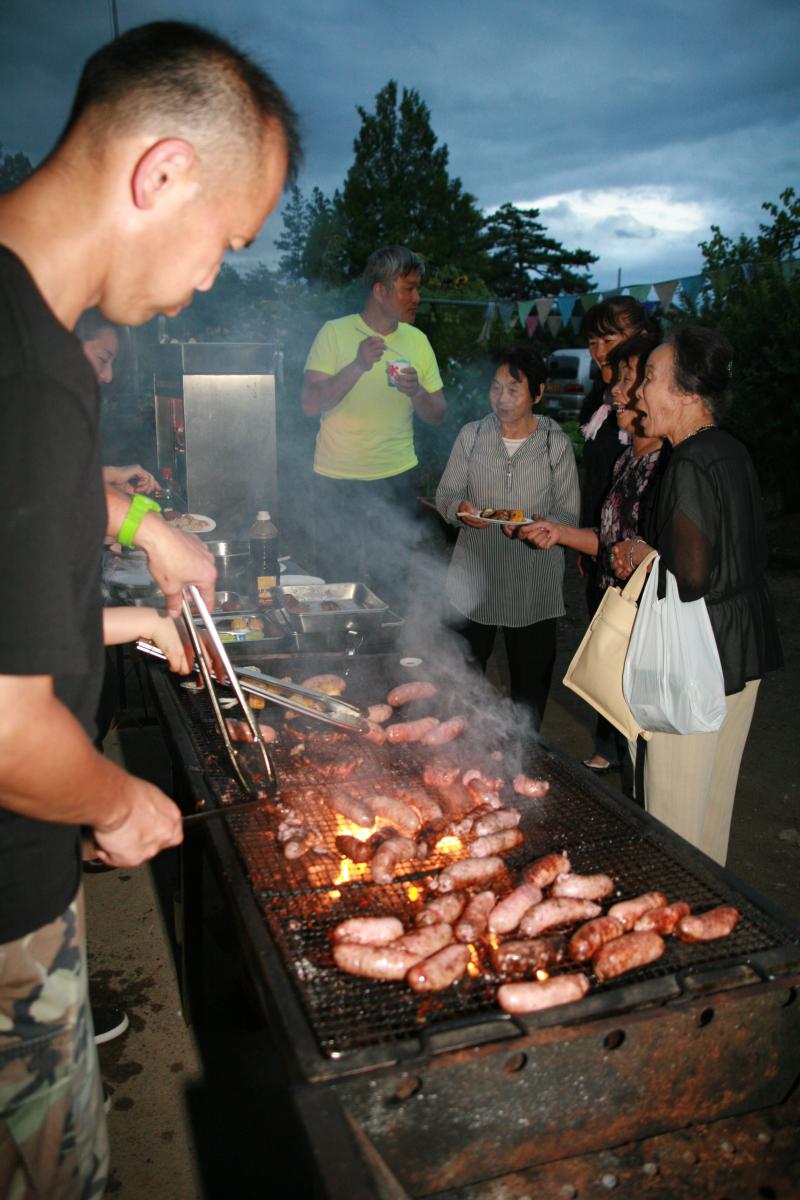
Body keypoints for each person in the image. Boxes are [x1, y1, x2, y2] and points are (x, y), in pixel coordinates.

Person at [0, 20, 299, 1198]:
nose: (209, 278)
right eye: (223, 241)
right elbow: (9, 731)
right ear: (164, 171)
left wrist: (130, 563)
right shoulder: (33, 376)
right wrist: (122, 800)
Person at [611, 327, 783, 865]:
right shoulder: (729, 449)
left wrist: (643, 556)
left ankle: (679, 929)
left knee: (674, 825)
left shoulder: (685, 461)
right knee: (711, 812)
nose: (638, 391)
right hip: (741, 651)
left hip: (696, 661)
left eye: (651, 379)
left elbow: (688, 576)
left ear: (686, 393)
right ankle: (712, 919)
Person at [523, 332, 665, 777]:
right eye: (618, 380)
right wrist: (560, 532)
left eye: (630, 381)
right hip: (615, 607)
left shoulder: (669, 466)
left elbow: (665, 556)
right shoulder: (627, 460)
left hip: (649, 622)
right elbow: (611, 541)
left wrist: (638, 555)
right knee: (623, 727)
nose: (617, 391)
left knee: (647, 747)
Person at [435, 345, 580, 731]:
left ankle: (526, 757)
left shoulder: (554, 443)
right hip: (473, 576)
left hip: (532, 581)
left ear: (538, 393)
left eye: (513, 390)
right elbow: (446, 494)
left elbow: (568, 513)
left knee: (528, 691)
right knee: (462, 678)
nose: (502, 399)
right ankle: (460, 748)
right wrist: (460, 509)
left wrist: (544, 527)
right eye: (496, 388)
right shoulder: (472, 435)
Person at [301, 245, 446, 610]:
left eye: (417, 288)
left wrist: (416, 392)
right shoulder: (334, 334)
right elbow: (309, 404)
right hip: (337, 479)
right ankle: (337, 661)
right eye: (408, 289)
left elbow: (438, 414)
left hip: (395, 477)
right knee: (336, 581)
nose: (417, 297)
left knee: (393, 580)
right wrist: (358, 365)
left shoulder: (418, 341)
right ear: (380, 291)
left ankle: (387, 662)